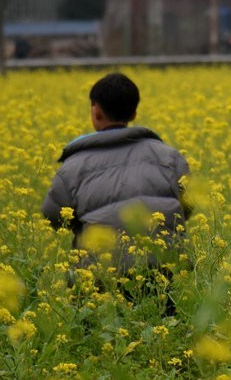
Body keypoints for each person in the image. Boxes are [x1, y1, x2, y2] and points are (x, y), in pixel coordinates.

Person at [41, 72, 190, 311]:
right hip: (162, 274)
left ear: (95, 111)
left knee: (95, 325)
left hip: (99, 279)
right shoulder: (169, 158)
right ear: (134, 113)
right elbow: (187, 206)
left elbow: (53, 216)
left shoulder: (73, 166)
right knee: (164, 321)